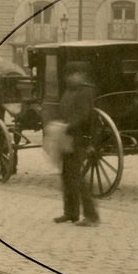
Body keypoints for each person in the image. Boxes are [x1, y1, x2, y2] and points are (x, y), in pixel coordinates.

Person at [56, 64, 100, 226]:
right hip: (67, 138)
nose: (70, 78)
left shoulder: (84, 92)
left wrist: (68, 126)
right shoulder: (69, 90)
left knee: (77, 177)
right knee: (66, 175)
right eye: (68, 75)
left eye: (74, 74)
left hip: (79, 138)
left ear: (80, 75)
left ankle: (92, 216)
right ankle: (70, 213)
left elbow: (83, 116)